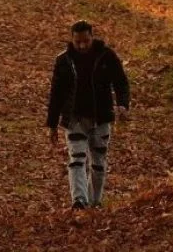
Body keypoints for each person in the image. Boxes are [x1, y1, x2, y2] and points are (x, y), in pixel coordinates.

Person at [46, 20, 130, 210]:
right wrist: (52, 124)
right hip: (74, 119)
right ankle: (79, 201)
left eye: (86, 41)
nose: (82, 46)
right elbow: (56, 93)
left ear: (92, 37)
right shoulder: (64, 61)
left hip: (101, 118)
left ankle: (95, 201)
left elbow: (121, 82)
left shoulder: (107, 56)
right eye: (78, 42)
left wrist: (123, 104)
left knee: (98, 161)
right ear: (72, 40)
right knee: (76, 159)